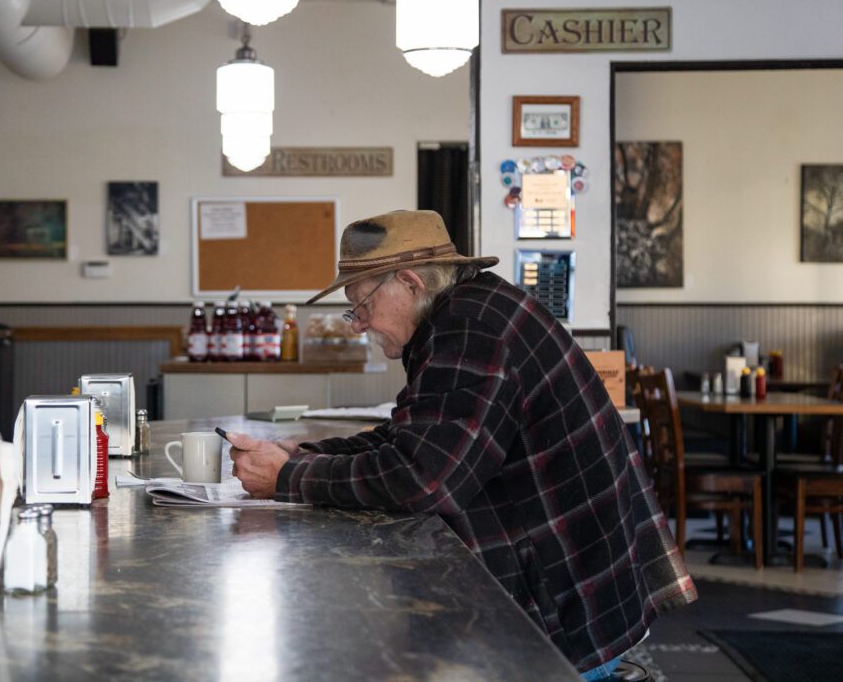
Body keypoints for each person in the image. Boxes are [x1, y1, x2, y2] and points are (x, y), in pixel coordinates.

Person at [228, 209, 696, 678]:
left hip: (565, 621)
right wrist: (309, 455)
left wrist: (288, 477)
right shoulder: (468, 311)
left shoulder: (467, 328)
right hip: (579, 591)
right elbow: (410, 437)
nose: (358, 324)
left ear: (410, 283)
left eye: (360, 305)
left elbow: (425, 479)